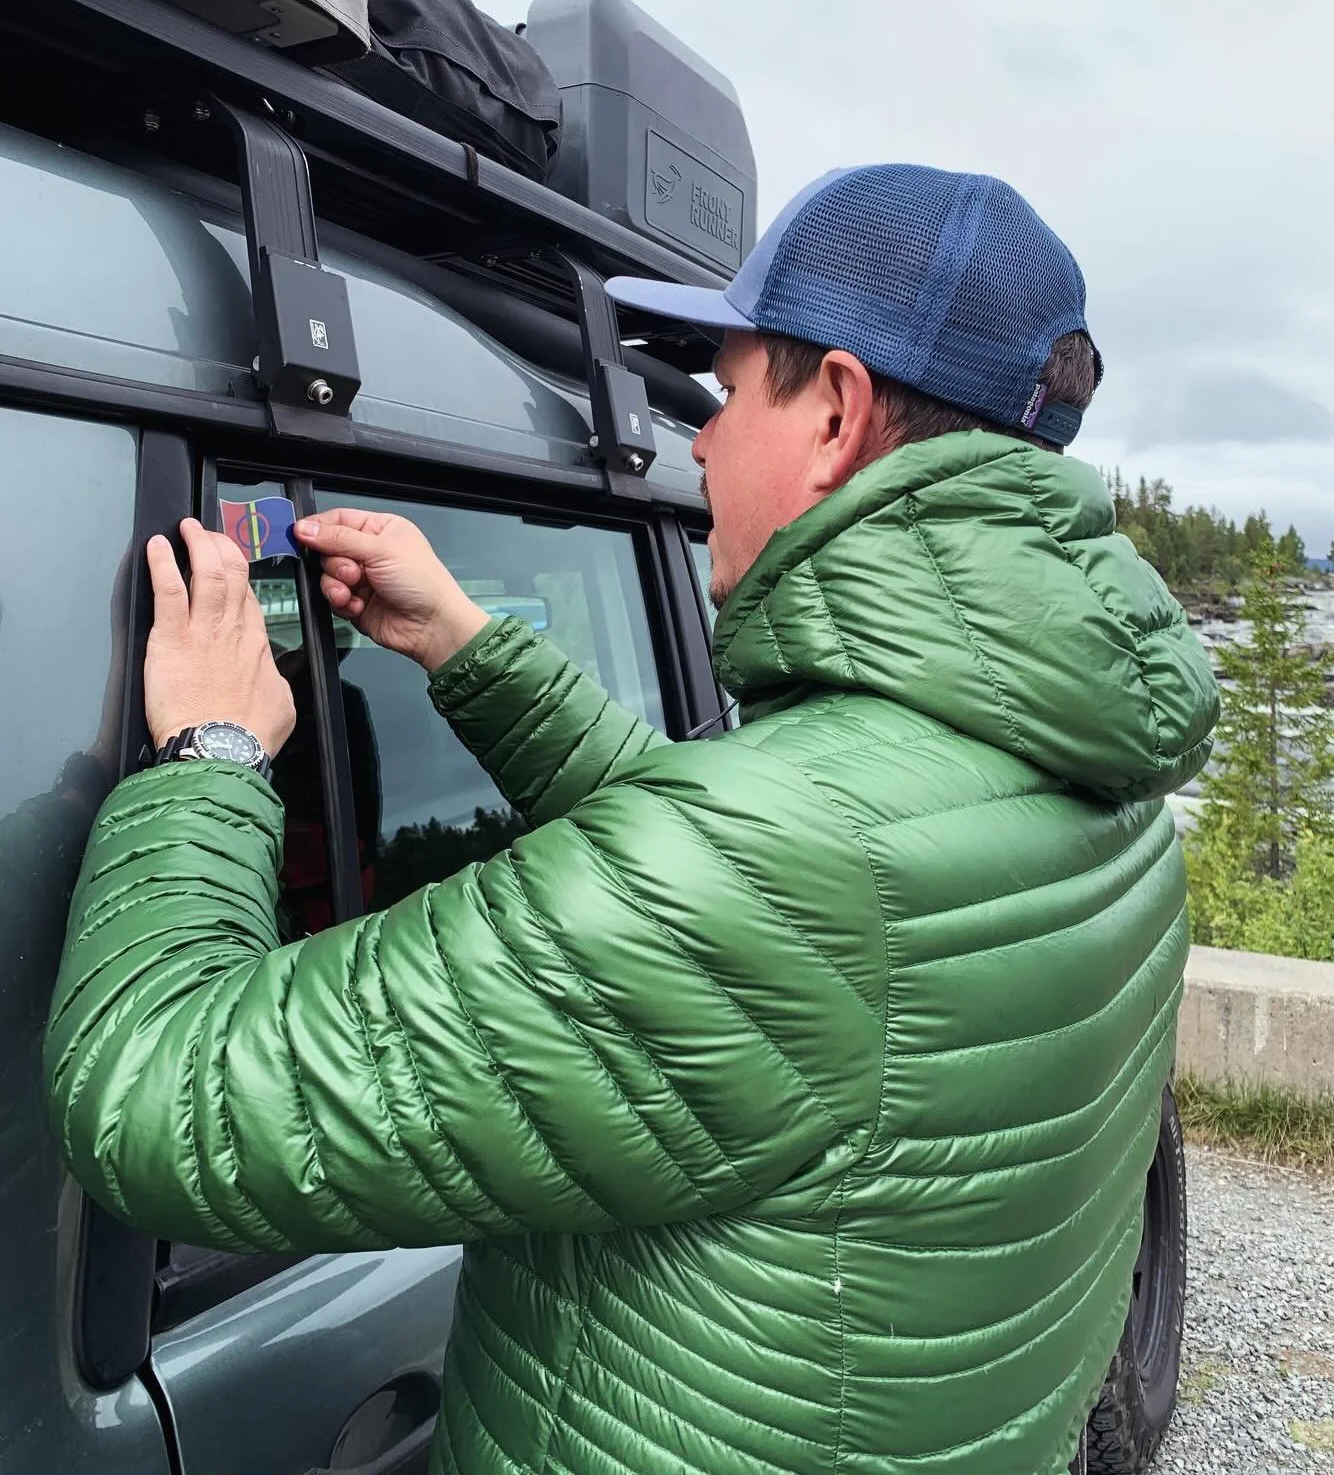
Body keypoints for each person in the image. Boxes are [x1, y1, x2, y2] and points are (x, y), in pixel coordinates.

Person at [46, 165, 1220, 1475]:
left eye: (726, 391)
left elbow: (159, 1094)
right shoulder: (1092, 783)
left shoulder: (778, 869)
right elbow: (761, 899)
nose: (698, 442)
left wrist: (211, 754)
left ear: (833, 413)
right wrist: (472, 652)